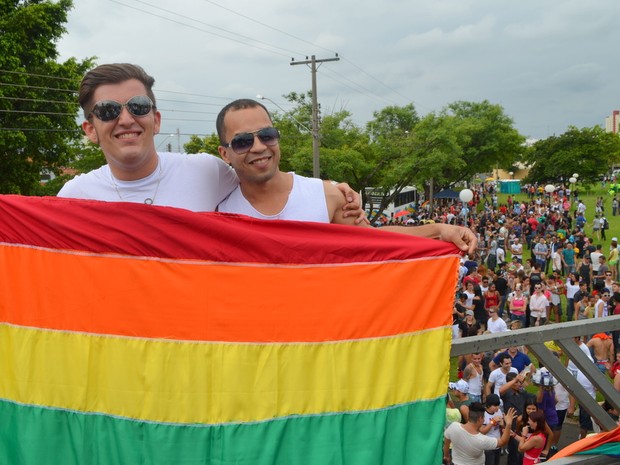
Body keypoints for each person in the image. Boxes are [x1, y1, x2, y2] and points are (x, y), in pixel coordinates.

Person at [59, 64, 477, 252]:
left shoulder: (207, 174)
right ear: (90, 128)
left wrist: (438, 229)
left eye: (138, 106)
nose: (126, 119)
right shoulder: (71, 199)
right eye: (110, 111)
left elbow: (366, 241)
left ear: (156, 118)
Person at [215, 98, 479, 251]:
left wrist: (440, 231)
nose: (259, 146)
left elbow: (376, 242)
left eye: (267, 135)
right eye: (242, 142)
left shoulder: (327, 195)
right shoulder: (216, 210)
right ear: (225, 153)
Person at [443, 403, 516, 465]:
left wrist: (447, 456)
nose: (484, 419)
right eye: (484, 417)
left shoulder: (454, 426)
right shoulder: (481, 440)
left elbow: (446, 441)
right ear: (480, 418)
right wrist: (508, 424)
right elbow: (503, 442)